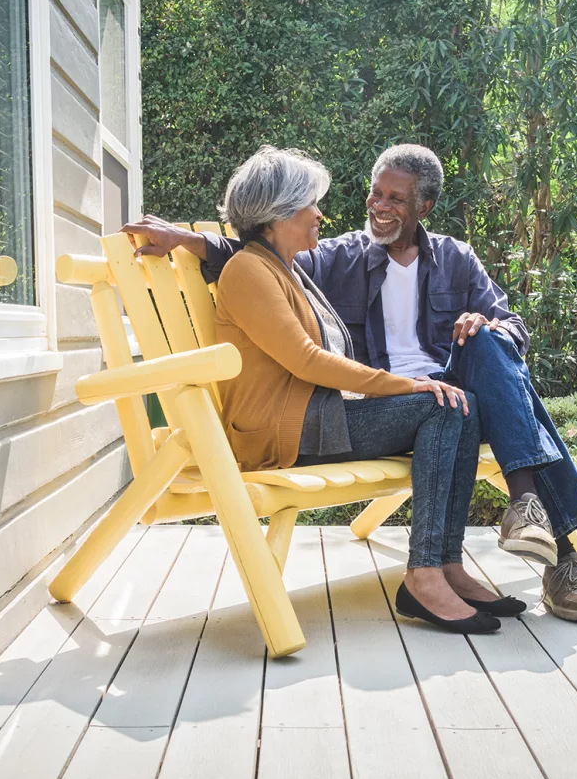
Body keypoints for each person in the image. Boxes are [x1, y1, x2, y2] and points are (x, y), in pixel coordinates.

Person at [124, 144, 577, 622]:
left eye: (395, 199)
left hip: (425, 391)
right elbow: (263, 269)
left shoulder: (456, 259)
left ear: (426, 205)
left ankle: (479, 539)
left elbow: (513, 328)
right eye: (374, 194)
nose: (375, 206)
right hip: (351, 408)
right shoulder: (328, 260)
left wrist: (485, 327)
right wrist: (188, 239)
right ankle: (526, 556)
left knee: (488, 348)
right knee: (457, 403)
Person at [209, 146, 524, 634]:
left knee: (460, 405)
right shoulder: (251, 271)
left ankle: (444, 564)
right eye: (310, 204)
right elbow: (307, 361)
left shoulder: (287, 269)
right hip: (284, 435)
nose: (321, 214)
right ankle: (424, 574)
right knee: (441, 406)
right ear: (277, 215)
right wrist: (406, 386)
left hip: (316, 420)